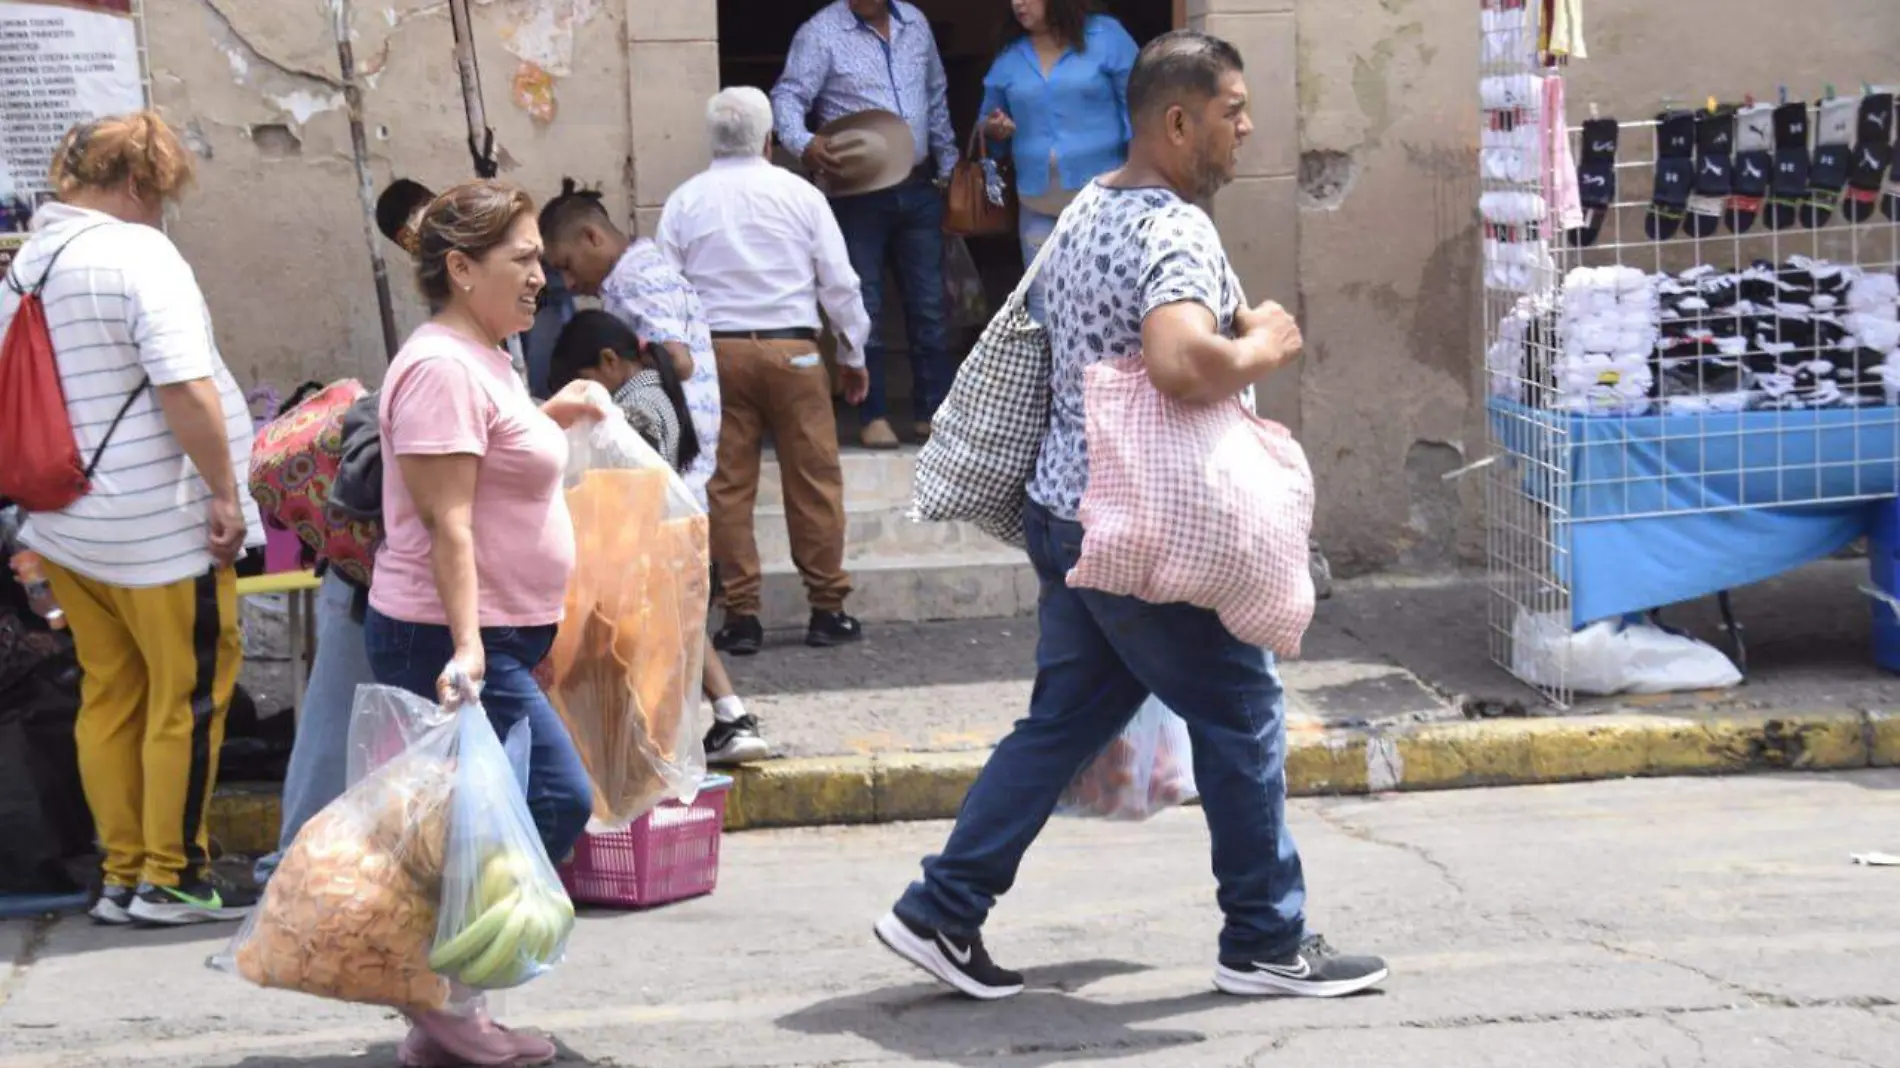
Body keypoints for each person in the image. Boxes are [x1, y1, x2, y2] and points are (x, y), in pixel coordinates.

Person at [873, 32, 1389, 1002]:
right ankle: (1266, 940)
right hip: (1143, 527)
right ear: (1178, 121)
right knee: (1241, 715)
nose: (1245, 129)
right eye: (1232, 111)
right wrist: (1263, 345)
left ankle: (942, 909)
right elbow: (1179, 361)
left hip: (1072, 513)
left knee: (1062, 724)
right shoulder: (1173, 229)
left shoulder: (1083, 214)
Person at [0, 111, 263, 927]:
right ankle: (173, 879)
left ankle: (121, 874)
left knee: (111, 695)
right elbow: (182, 385)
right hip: (158, 527)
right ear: (139, 183)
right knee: (185, 698)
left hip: (67, 527)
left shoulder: (20, 271)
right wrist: (225, 491)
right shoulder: (137, 253)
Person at [366, 178, 603, 1066]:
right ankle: (439, 997)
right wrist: (468, 644)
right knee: (545, 803)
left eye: (542, 257)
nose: (543, 275)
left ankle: (449, 1009)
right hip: (447, 636)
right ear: (463, 269)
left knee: (480, 826)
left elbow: (487, 463)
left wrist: (553, 416)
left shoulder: (489, 355)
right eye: (525, 259)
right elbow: (445, 520)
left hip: (496, 633)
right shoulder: (437, 368)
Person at [655, 87, 875, 654]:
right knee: (815, 482)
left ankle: (741, 616)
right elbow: (840, 283)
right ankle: (827, 607)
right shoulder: (801, 196)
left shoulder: (684, 201)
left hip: (718, 356)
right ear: (770, 138)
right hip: (795, 351)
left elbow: (666, 293)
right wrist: (853, 355)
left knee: (726, 486)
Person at [546, 310, 771, 766]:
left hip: (646, 546)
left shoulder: (634, 408)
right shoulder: (654, 393)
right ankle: (729, 717)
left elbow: (623, 469)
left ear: (609, 362)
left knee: (659, 655)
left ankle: (676, 741)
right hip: (664, 545)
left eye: (582, 380)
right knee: (683, 639)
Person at [771, 0, 956, 450]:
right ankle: (873, 415)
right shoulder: (821, 32)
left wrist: (948, 167)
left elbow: (935, 95)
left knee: (930, 304)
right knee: (863, 303)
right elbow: (787, 97)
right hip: (857, 192)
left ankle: (933, 414)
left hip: (918, 185)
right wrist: (803, 143)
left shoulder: (914, 22)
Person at [980, 0, 1139, 323]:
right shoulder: (1011, 54)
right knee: (1043, 307)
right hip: (1039, 206)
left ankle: (1099, 375)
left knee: (1105, 303)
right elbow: (987, 119)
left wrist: (1141, 172)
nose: (1017, 3)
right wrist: (995, 129)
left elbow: (1138, 107)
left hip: (1105, 207)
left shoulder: (1106, 36)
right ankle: (1055, 375)